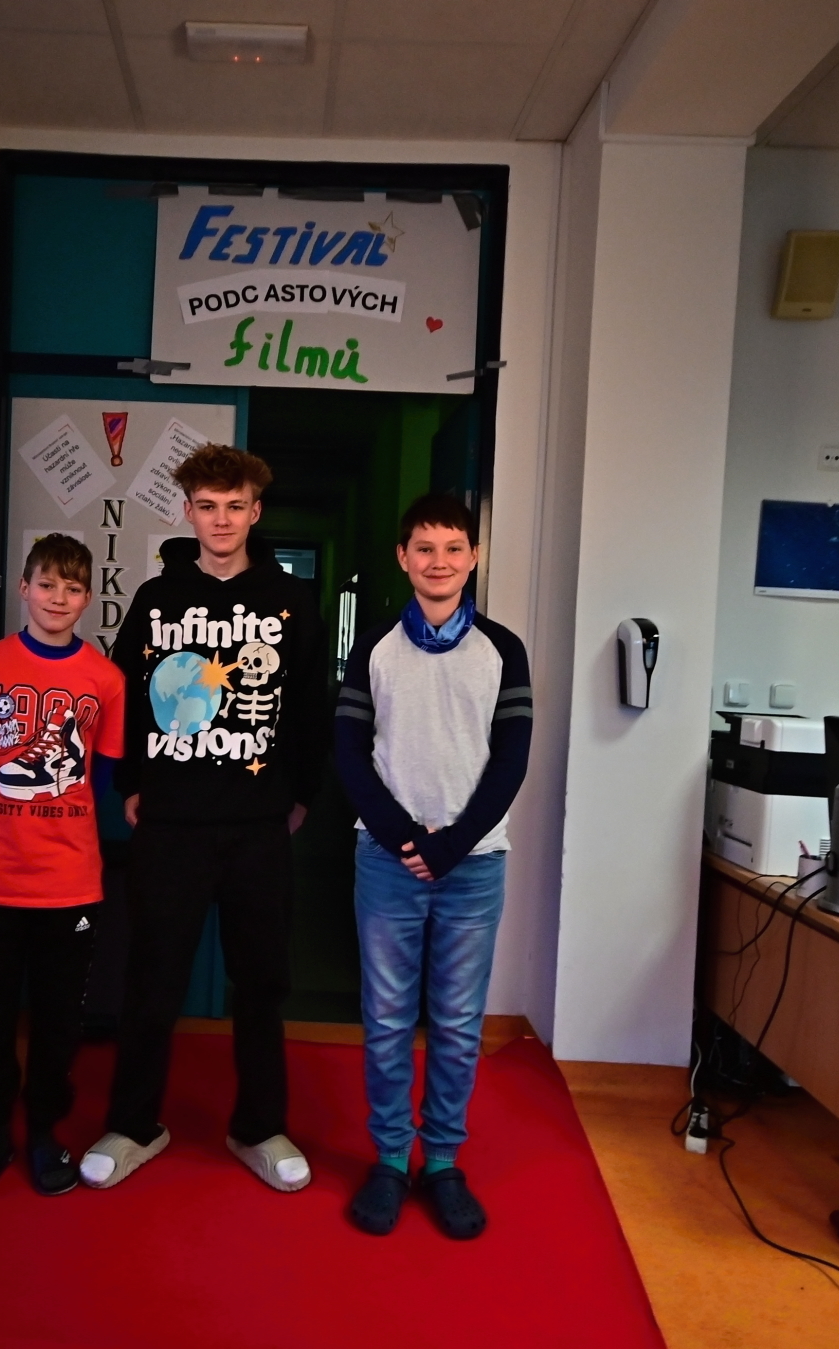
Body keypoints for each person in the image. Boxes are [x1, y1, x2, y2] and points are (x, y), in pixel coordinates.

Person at [82, 444, 326, 1193]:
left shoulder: (291, 600)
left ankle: (259, 1126)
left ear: (256, 512)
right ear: (188, 511)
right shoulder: (157, 598)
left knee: (263, 983)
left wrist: (303, 795)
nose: (222, 520)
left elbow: (310, 705)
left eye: (235, 506)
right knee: (151, 979)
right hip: (171, 823)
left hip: (257, 826)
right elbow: (125, 693)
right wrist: (129, 781)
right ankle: (133, 1124)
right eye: (209, 507)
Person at [333, 493, 532, 1240]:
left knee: (456, 1022)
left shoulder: (504, 650)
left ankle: (443, 1161)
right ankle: (390, 1157)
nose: (438, 561)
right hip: (386, 861)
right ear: (403, 557)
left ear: (474, 557)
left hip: (474, 865)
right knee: (387, 1019)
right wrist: (402, 837)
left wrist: (451, 843)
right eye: (424, 547)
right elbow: (349, 753)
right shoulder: (375, 648)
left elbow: (511, 760)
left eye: (453, 548)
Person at [0, 534, 125, 1199]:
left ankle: (45, 1130)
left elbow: (102, 776)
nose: (58, 598)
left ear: (87, 598)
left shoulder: (106, 680)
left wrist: (55, 817)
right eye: (47, 584)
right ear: (24, 587)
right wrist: (1, 817)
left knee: (58, 1018)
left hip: (68, 884)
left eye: (72, 588)